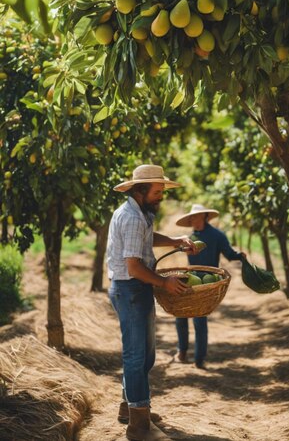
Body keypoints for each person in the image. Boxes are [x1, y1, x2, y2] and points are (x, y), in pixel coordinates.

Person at [107, 164, 198, 441]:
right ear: (140, 190)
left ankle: (132, 407)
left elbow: (146, 240)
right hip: (131, 288)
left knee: (145, 355)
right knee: (136, 356)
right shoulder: (133, 218)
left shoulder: (140, 213)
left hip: (136, 288)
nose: (161, 196)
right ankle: (138, 425)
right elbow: (134, 267)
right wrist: (164, 282)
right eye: (158, 191)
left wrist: (174, 241)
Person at [174, 203, 245, 370]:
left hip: (207, 283)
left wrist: (240, 257)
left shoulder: (217, 236)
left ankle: (199, 359)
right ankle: (182, 351)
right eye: (191, 217)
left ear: (205, 217)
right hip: (190, 278)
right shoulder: (191, 236)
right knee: (180, 314)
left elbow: (229, 254)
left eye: (196, 216)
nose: (193, 220)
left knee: (199, 319)